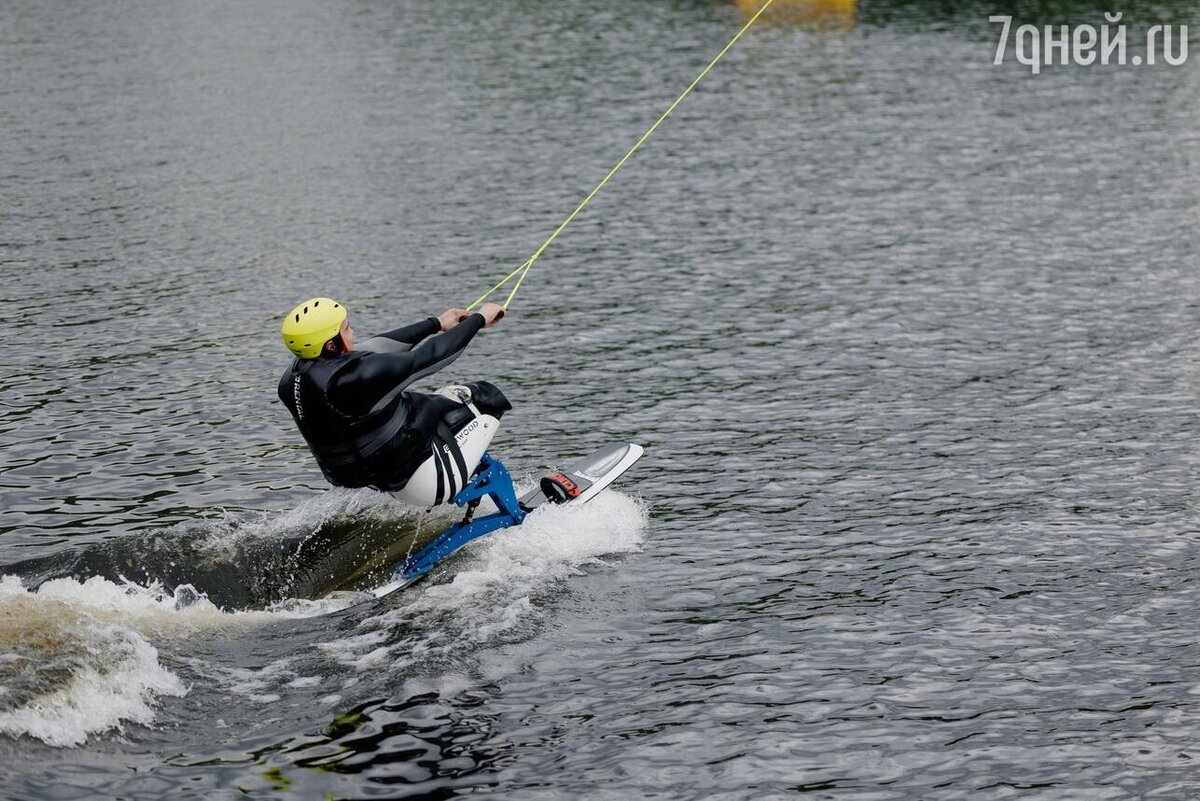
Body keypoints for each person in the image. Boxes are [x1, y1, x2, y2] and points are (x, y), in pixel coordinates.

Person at [277, 297, 511, 507]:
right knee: (481, 396)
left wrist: (437, 323)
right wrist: (480, 318)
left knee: (425, 403)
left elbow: (377, 346)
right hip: (429, 483)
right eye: (347, 329)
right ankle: (497, 496)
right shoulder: (355, 380)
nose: (352, 333)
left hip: (366, 474)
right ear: (331, 345)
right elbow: (432, 356)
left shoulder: (292, 379)